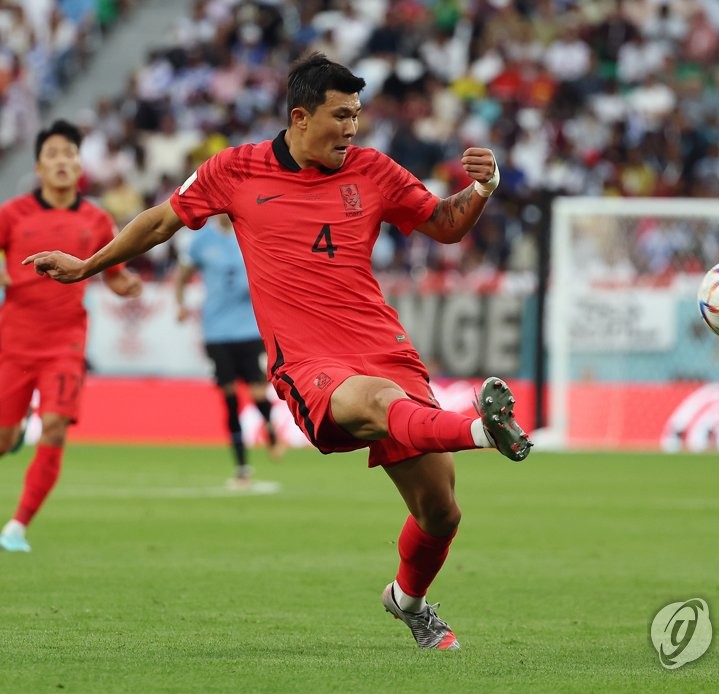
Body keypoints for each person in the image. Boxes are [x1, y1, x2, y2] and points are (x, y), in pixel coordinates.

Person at [23, 53, 532, 649]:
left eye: (358, 116)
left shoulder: (372, 171)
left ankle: (408, 601)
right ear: (300, 117)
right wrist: (89, 265)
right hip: (310, 361)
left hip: (382, 345)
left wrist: (484, 187)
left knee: (441, 513)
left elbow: (444, 225)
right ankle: (477, 429)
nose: (352, 129)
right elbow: (161, 222)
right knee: (379, 401)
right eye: (341, 116)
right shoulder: (235, 170)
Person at [0, 120, 142, 553]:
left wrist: (128, 285)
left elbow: (113, 274)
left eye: (70, 154)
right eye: (54, 154)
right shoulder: (12, 214)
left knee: (57, 426)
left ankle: (16, 527)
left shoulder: (97, 219)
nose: (63, 161)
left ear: (80, 164)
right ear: (39, 166)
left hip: (65, 343)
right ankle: (14, 433)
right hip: (14, 342)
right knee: (3, 440)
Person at [174, 214, 287, 489]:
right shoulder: (200, 240)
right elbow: (182, 276)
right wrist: (180, 304)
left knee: (258, 391)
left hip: (250, 328)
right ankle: (242, 468)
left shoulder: (252, 231)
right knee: (229, 399)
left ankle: (270, 427)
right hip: (216, 331)